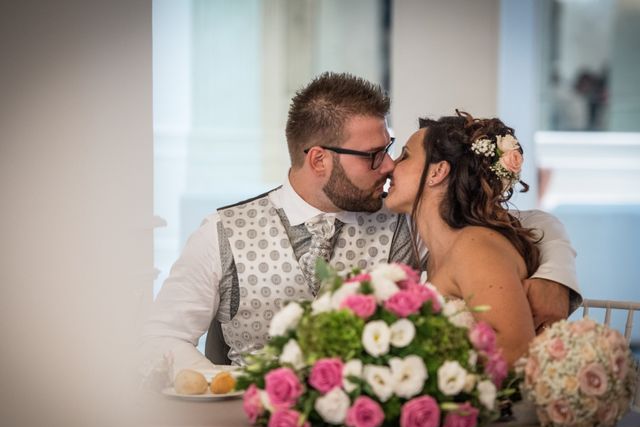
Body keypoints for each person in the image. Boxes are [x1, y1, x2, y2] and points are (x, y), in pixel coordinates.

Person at [140, 73, 580, 375]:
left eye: (391, 149)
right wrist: (211, 379)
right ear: (318, 159)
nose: (388, 165)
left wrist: (554, 275)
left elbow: (517, 225)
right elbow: (162, 335)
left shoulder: (410, 224)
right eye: (373, 155)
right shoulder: (221, 233)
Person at [384, 111, 577, 364]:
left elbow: (517, 350)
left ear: (437, 172)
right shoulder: (439, 252)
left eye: (405, 155)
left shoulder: (474, 247)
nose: (391, 166)